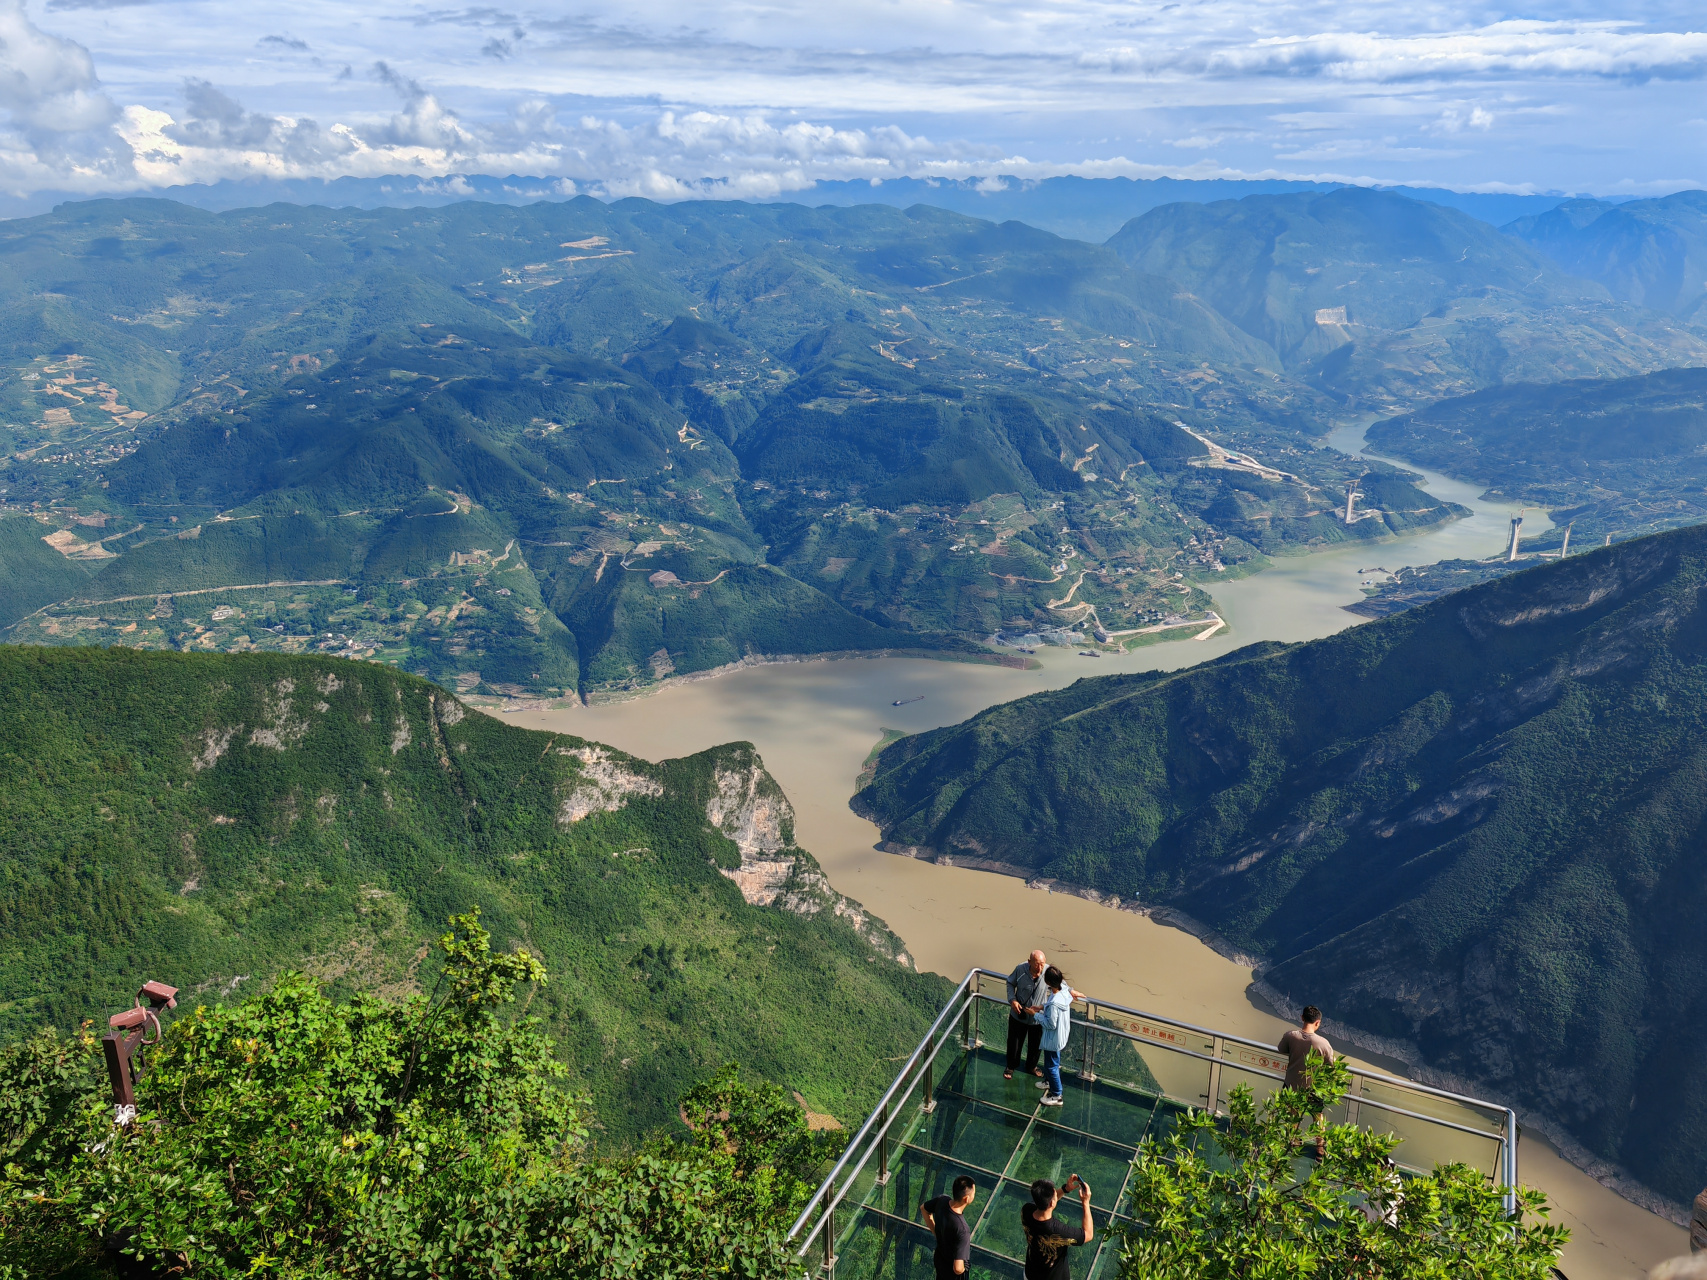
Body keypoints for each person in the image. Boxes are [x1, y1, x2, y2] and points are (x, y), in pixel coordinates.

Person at [1278, 1004, 1336, 1156]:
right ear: (1318, 1022)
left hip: (1291, 1085)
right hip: (1313, 1088)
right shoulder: (1323, 1043)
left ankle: (1294, 1141)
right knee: (1318, 1117)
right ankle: (1320, 1148)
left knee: (1293, 1114)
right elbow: (1332, 1065)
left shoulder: (1291, 1036)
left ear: (1302, 1018)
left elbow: (1281, 1049)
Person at [1020, 1176, 1093, 1280]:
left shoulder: (1026, 1210)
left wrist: (1065, 1189)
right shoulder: (1058, 1231)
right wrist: (1085, 1202)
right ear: (1051, 1203)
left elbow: (1045, 1202)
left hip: (1030, 1274)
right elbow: (1088, 1234)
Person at [919, 1176, 976, 1278]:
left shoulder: (942, 1200)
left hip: (940, 1261)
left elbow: (923, 1208)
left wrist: (936, 1232)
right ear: (966, 1199)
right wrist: (964, 1267)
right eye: (973, 1194)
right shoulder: (963, 1229)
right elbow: (958, 1268)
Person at [1005, 950, 1049, 1080]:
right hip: (1019, 1013)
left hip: (1037, 1017)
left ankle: (1031, 1066)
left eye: (1042, 964)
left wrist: (1071, 991)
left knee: (1036, 1045)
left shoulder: (1048, 972)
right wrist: (1012, 1000)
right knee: (1014, 1042)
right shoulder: (1020, 969)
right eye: (1037, 964)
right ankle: (1011, 1066)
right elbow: (1010, 983)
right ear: (1029, 962)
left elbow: (1060, 984)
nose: (1040, 968)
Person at [1037, 966, 1074, 1106]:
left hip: (1053, 1038)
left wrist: (1035, 1015)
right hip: (1060, 1035)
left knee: (1052, 1066)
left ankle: (1057, 1095)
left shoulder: (1053, 1003)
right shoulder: (1063, 991)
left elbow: (1050, 1024)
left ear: (1047, 982)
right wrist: (1042, 1007)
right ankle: (1048, 1081)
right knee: (1052, 1062)